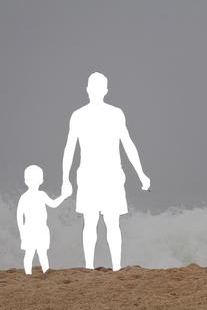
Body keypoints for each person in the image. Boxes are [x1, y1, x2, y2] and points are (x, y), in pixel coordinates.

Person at [62, 71, 150, 271]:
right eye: (92, 87)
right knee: (90, 223)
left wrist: (141, 173)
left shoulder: (116, 113)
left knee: (112, 223)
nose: (95, 91)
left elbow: (128, 144)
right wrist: (65, 179)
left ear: (106, 90)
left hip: (111, 175)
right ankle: (90, 267)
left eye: (99, 87)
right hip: (88, 175)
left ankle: (117, 267)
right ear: (87, 90)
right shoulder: (78, 115)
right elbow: (69, 148)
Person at [17, 164, 69, 275]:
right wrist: (22, 231)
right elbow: (19, 215)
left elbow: (53, 204)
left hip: (40, 229)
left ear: (41, 180)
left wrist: (63, 197)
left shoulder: (40, 195)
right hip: (31, 230)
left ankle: (41, 272)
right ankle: (29, 274)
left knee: (40, 253)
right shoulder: (25, 197)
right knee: (31, 254)